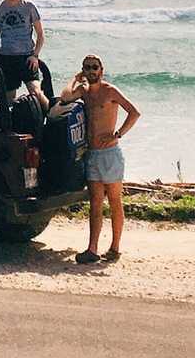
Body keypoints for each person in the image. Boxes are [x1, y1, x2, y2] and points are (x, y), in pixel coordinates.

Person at [59, 54, 139, 264]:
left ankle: (114, 248)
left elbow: (134, 112)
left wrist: (118, 133)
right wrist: (75, 79)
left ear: (101, 70)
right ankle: (92, 249)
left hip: (110, 155)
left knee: (114, 201)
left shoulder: (110, 91)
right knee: (95, 203)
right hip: (92, 154)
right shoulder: (84, 92)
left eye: (95, 67)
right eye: (87, 67)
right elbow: (65, 97)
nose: (91, 70)